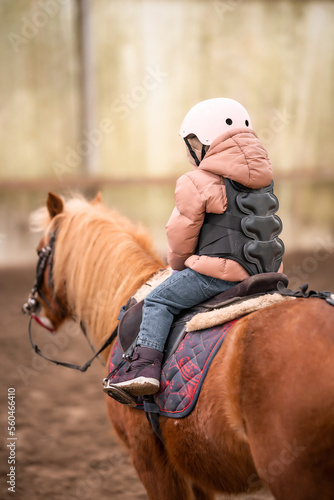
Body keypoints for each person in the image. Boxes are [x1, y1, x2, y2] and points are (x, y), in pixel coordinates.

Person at [103, 98, 284, 401]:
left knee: (160, 300)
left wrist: (178, 265)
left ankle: (144, 368)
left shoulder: (196, 180)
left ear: (205, 141)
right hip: (267, 271)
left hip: (218, 276)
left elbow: (180, 235)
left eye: (191, 142)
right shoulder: (263, 179)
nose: (190, 152)